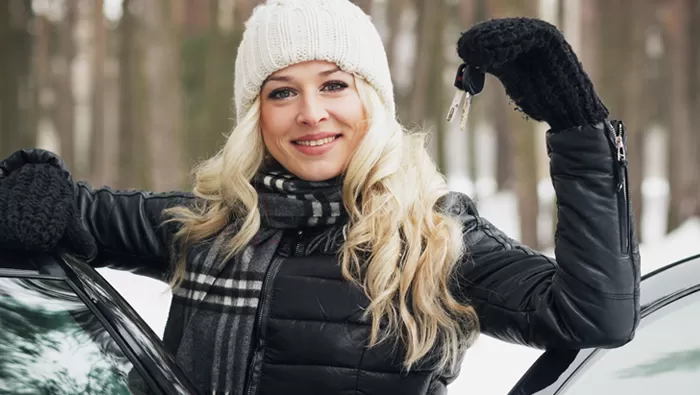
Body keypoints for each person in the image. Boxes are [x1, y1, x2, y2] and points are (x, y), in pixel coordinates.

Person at [0, 1, 640, 394]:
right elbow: (59, 210)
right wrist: (29, 182)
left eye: (334, 85)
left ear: (372, 100)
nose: (311, 114)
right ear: (257, 114)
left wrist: (576, 129)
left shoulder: (435, 237)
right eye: (281, 92)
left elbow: (594, 317)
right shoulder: (210, 226)